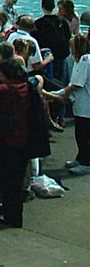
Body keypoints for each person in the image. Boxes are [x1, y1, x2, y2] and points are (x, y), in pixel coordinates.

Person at [0, 58, 35, 228]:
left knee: (7, 180)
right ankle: (14, 214)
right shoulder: (25, 87)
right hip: (24, 139)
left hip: (6, 140)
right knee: (17, 180)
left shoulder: (7, 89)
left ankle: (11, 216)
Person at [44, 32, 89, 176]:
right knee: (80, 133)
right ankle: (81, 157)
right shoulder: (79, 61)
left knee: (84, 134)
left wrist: (56, 95)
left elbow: (76, 84)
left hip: (86, 105)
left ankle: (86, 162)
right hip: (80, 104)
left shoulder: (84, 60)